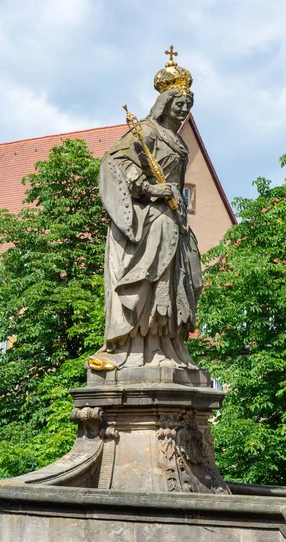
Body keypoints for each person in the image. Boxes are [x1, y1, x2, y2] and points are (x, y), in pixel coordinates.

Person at [89, 52, 201, 371]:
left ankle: (169, 345)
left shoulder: (177, 141)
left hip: (174, 219)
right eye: (179, 105)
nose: (184, 112)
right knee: (150, 282)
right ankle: (135, 348)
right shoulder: (146, 132)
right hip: (150, 220)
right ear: (165, 102)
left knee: (189, 278)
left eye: (188, 107)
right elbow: (118, 164)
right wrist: (152, 188)